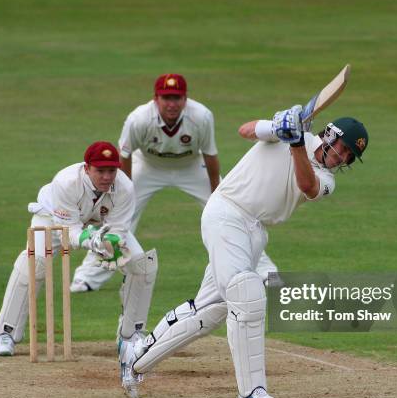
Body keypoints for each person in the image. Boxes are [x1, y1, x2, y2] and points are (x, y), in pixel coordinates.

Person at [119, 107, 369, 398]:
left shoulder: (326, 178)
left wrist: (296, 143)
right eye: (343, 149)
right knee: (247, 294)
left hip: (255, 231)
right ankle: (251, 391)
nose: (342, 158)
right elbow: (246, 129)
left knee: (210, 310)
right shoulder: (289, 133)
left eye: (349, 157)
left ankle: (136, 359)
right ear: (330, 134)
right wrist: (278, 126)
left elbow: (307, 185)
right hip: (227, 211)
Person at [70, 73, 277, 293]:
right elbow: (125, 154)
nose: (171, 104)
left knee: (233, 213)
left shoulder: (201, 116)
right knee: (117, 218)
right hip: (148, 166)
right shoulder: (138, 119)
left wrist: (216, 191)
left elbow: (210, 154)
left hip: (191, 166)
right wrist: (124, 190)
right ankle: (87, 277)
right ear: (155, 99)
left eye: (176, 98)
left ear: (185, 99)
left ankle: (264, 271)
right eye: (166, 98)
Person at [0, 142, 158, 389]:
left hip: (98, 223)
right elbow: (69, 231)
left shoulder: (125, 187)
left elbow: (119, 230)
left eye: (111, 171)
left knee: (141, 265)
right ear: (86, 168)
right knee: (36, 261)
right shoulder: (66, 182)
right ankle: (7, 333)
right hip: (53, 217)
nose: (106, 176)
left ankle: (130, 335)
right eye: (99, 170)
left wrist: (110, 244)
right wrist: (90, 240)